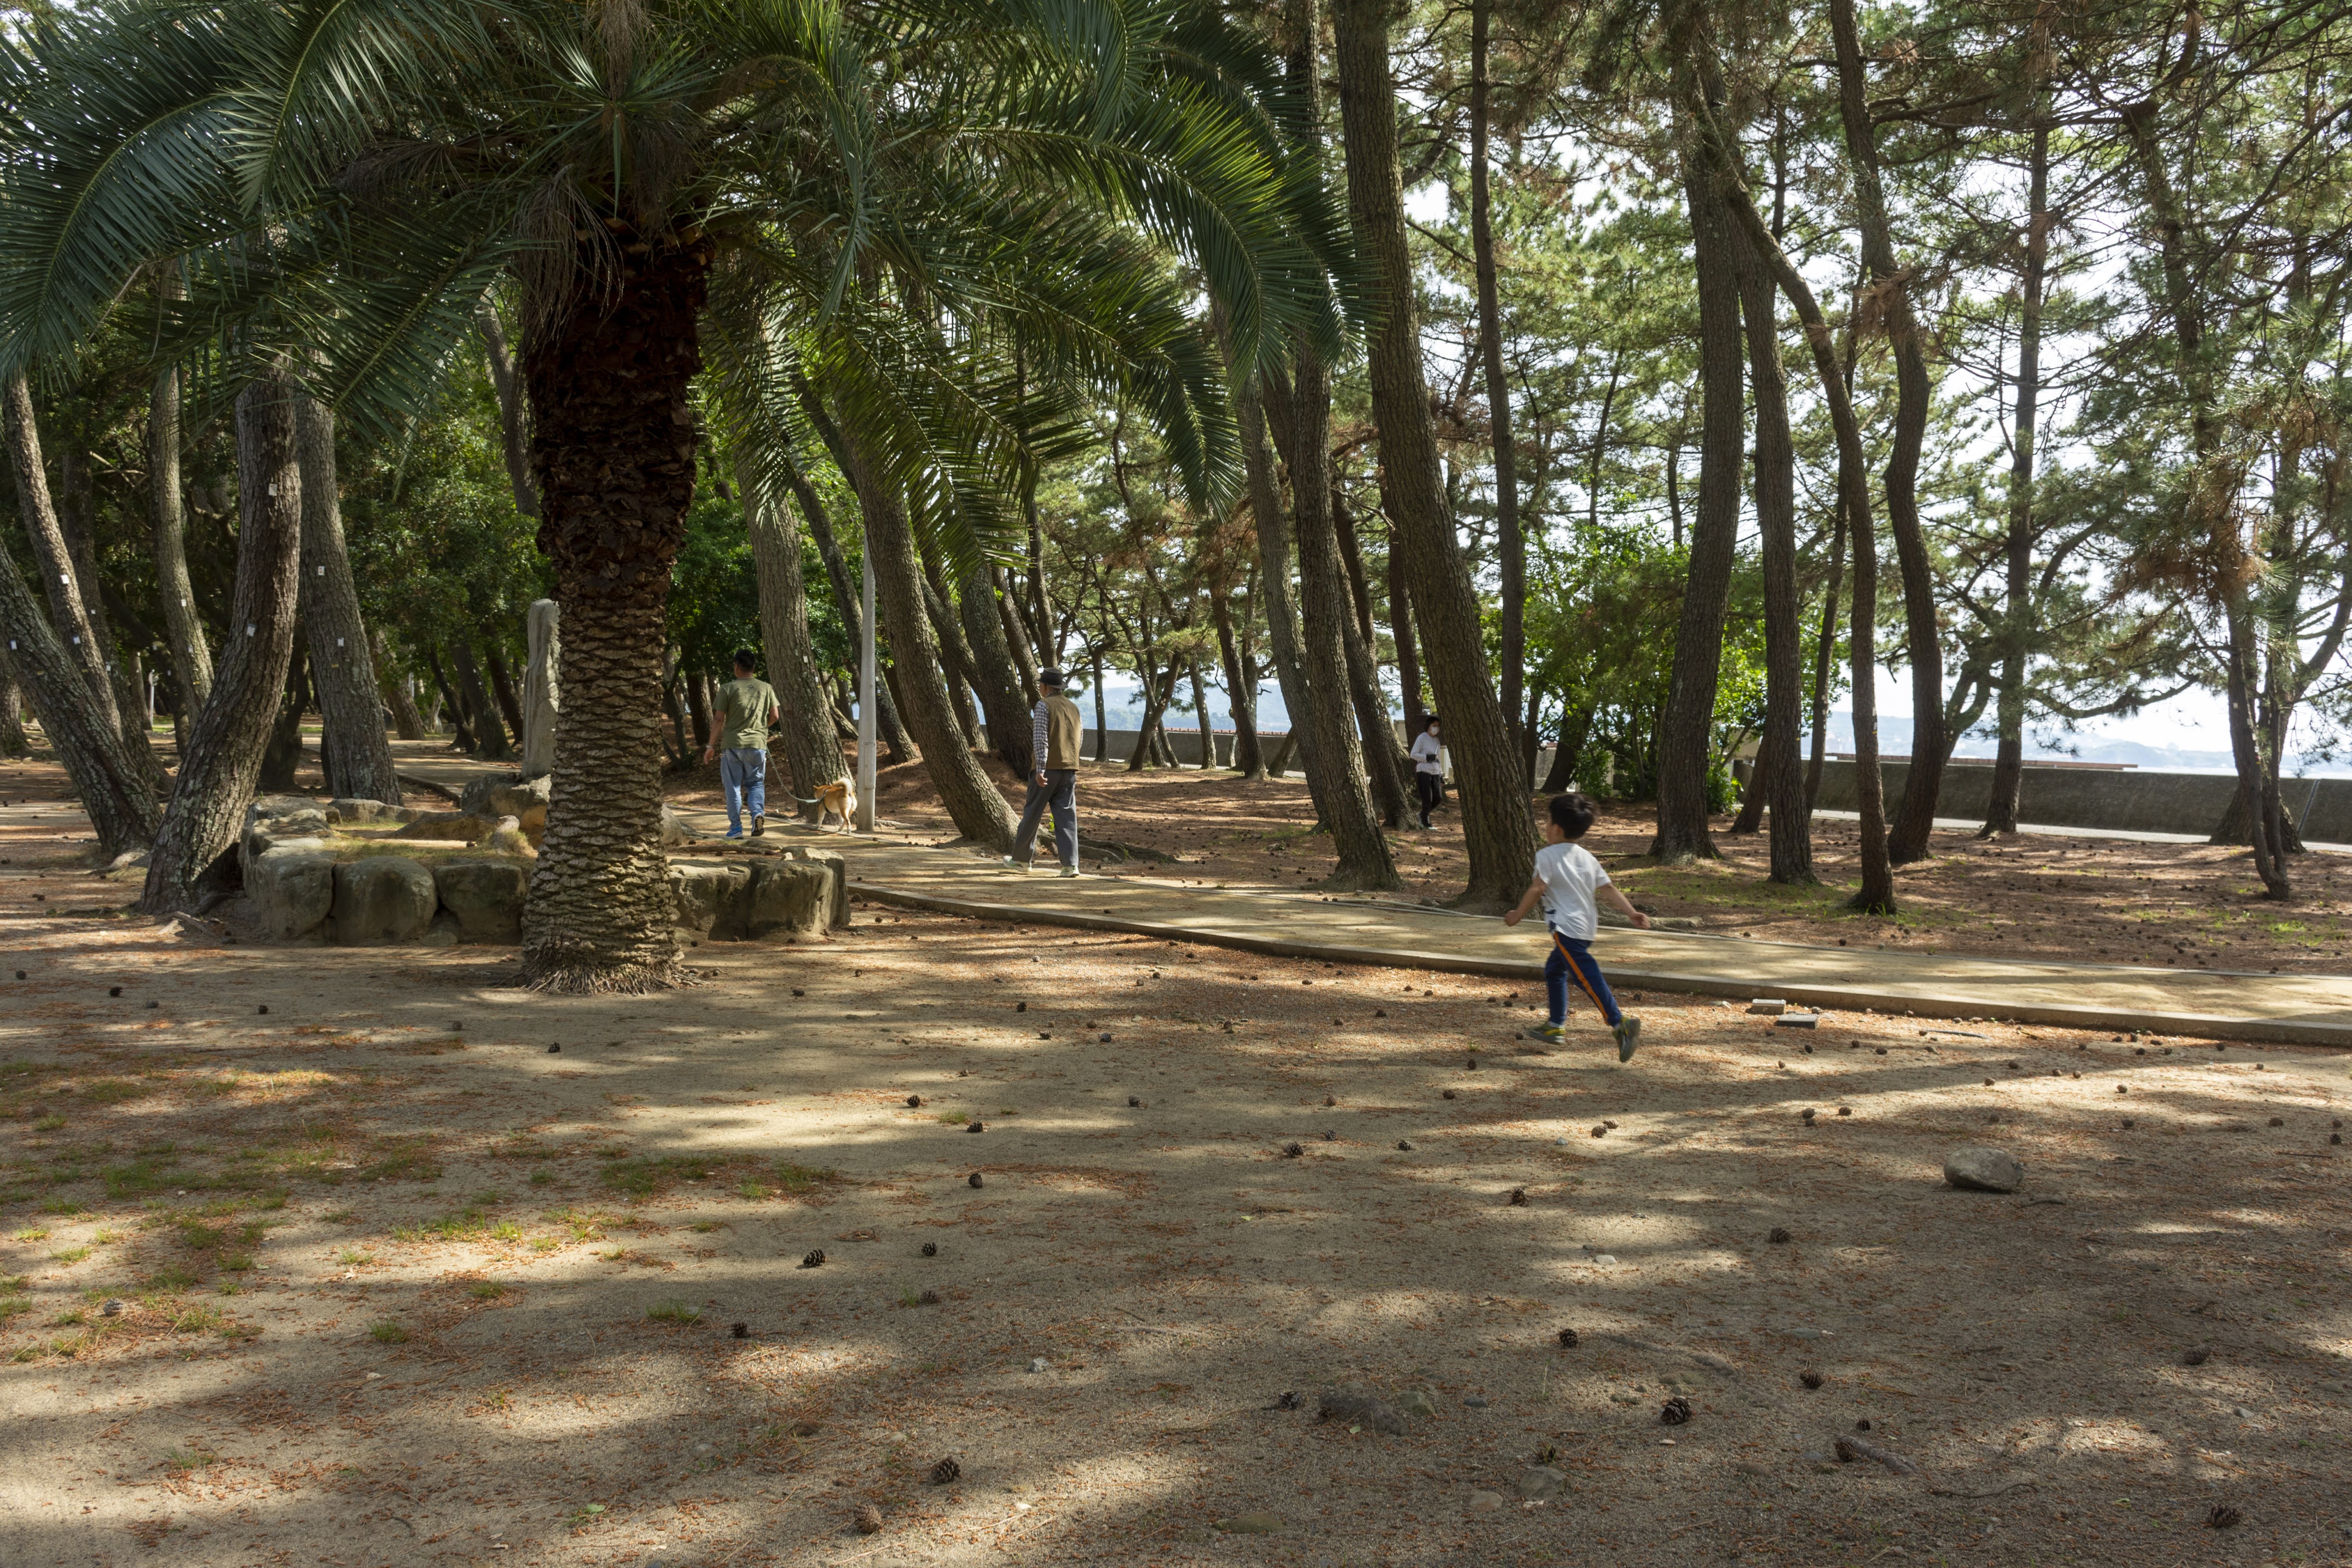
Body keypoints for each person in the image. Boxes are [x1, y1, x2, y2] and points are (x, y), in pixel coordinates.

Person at [1503, 791, 1648, 1060]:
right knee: (1555, 971)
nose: (1545, 827)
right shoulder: (1587, 857)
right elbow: (1609, 888)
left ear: (1556, 828)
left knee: (1586, 976)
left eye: (1546, 822)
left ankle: (1620, 1024)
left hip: (1566, 929)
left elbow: (1538, 888)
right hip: (1585, 928)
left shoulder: (1546, 856)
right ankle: (1556, 1027)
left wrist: (1517, 915)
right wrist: (1632, 913)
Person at [1001, 667, 1083, 876]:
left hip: (1047, 770)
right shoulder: (1074, 708)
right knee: (1067, 817)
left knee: (1033, 813)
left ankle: (1021, 860)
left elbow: (1040, 740)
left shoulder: (1043, 705)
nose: (1039, 687)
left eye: (1041, 684)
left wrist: (1040, 768)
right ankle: (1071, 865)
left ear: (1046, 687)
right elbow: (1079, 739)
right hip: (1069, 769)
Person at [704, 649, 781, 839]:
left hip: (733, 745)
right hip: (757, 745)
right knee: (755, 784)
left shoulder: (728, 688)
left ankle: (736, 829)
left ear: (737, 667)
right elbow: (775, 716)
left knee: (734, 787)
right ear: (753, 667)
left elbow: (718, 719)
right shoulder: (766, 688)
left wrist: (710, 746)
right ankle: (757, 815)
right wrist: (762, 729)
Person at [1408, 714, 1446, 828]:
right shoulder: (1422, 738)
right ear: (1428, 726)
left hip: (1435, 772)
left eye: (1438, 726)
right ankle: (1426, 823)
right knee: (1427, 799)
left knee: (1438, 798)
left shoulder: (1438, 741)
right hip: (1423, 771)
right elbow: (1413, 755)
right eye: (1434, 725)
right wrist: (1427, 758)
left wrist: (1441, 776)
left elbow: (1438, 758)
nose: (1436, 728)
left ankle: (1421, 815)